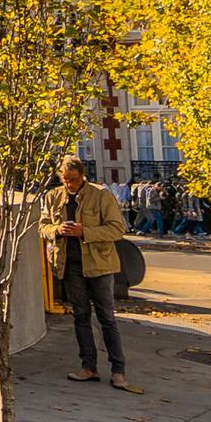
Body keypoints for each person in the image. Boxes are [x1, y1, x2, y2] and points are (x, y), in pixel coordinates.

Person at [42, 154, 132, 390]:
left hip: (99, 265)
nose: (69, 184)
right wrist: (57, 230)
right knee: (81, 316)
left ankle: (118, 370)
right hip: (70, 265)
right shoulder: (54, 197)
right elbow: (42, 226)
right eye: (65, 179)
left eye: (73, 179)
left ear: (82, 176)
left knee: (106, 317)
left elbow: (117, 229)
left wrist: (85, 232)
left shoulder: (100, 195)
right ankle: (88, 366)